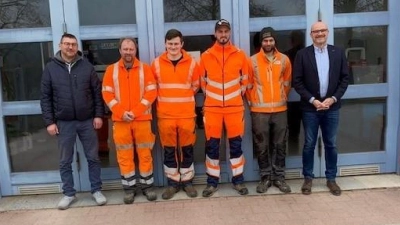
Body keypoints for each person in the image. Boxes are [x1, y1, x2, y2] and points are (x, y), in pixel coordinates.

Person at [40, 33, 107, 210]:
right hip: (64, 122)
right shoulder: (50, 68)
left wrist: (99, 115)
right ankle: (69, 193)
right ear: (60, 45)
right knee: (65, 160)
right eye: (67, 44)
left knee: (93, 157)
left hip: (87, 121)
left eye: (73, 44)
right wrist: (49, 122)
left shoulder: (87, 67)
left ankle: (96, 190)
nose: (70, 47)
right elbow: (45, 97)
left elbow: (97, 94)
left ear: (77, 47)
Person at [293, 21, 349, 196]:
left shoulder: (338, 53)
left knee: (331, 144)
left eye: (322, 30)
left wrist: (332, 99)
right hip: (311, 108)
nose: (319, 34)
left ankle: (331, 179)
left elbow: (345, 79)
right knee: (309, 144)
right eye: (316, 31)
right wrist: (313, 100)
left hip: (331, 108)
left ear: (328, 32)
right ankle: (308, 178)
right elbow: (297, 82)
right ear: (311, 35)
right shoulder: (302, 55)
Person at [102, 37, 157, 204]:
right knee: (124, 155)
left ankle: (147, 187)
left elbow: (151, 93)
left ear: (135, 50)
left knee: (145, 154)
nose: (128, 52)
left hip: (141, 119)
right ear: (120, 50)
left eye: (131, 49)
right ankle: (129, 189)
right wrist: (121, 112)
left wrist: (135, 112)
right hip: (120, 121)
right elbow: (107, 94)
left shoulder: (145, 69)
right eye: (125, 49)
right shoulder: (111, 70)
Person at [199, 19, 249, 197]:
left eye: (226, 31)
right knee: (212, 148)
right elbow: (202, 83)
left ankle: (238, 181)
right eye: (220, 31)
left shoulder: (240, 55)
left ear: (230, 33)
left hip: (235, 109)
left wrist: (233, 98)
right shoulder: (205, 56)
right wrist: (214, 99)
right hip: (212, 109)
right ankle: (212, 183)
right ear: (215, 34)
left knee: (236, 147)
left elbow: (245, 81)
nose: (223, 34)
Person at [151, 29, 201, 200]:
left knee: (187, 150)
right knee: (169, 151)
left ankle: (187, 182)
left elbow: (196, 86)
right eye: (170, 43)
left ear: (182, 44)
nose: (173, 46)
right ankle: (173, 184)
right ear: (165, 44)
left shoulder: (192, 63)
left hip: (186, 115)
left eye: (176, 43)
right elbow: (153, 88)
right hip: (165, 115)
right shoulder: (156, 64)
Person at [247, 27, 292, 194]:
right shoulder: (252, 61)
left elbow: (287, 83)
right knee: (262, 145)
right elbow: (248, 86)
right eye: (265, 40)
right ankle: (265, 177)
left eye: (271, 40)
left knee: (280, 144)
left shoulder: (284, 60)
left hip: (280, 109)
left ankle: (279, 177)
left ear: (275, 41)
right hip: (259, 111)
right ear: (261, 42)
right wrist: (254, 101)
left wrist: (280, 98)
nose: (268, 43)